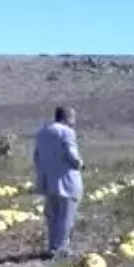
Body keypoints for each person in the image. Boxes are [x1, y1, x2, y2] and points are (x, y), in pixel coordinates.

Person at [33, 106, 83, 258]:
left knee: (52, 216)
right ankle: (61, 249)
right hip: (66, 181)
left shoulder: (42, 132)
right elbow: (72, 156)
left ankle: (52, 247)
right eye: (73, 118)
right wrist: (80, 164)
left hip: (48, 181)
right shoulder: (67, 132)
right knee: (66, 216)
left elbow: (36, 156)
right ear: (68, 117)